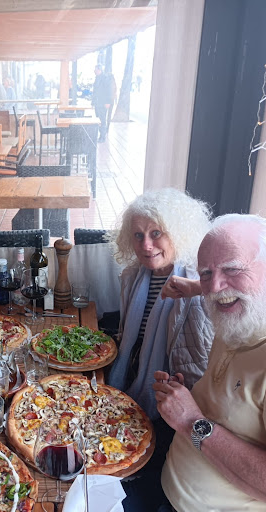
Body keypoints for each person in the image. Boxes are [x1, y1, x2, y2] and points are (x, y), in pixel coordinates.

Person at [107, 188, 213, 511]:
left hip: (172, 405)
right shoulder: (132, 277)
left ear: (177, 232)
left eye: (156, 233)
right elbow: (129, 338)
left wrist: (199, 289)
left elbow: (198, 366)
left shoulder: (198, 286)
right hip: (128, 384)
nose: (146, 245)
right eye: (138, 235)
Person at [155, 214, 266, 511]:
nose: (215, 287)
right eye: (206, 272)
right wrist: (195, 285)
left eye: (233, 268)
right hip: (164, 483)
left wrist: (191, 422)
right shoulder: (237, 319)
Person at [92, 64, 117, 142]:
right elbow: (95, 91)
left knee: (102, 120)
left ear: (99, 70)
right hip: (97, 103)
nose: (94, 71)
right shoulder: (97, 78)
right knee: (98, 119)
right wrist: (93, 102)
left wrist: (107, 102)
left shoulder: (105, 78)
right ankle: (101, 135)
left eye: (95, 69)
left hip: (103, 103)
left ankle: (102, 137)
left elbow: (108, 90)